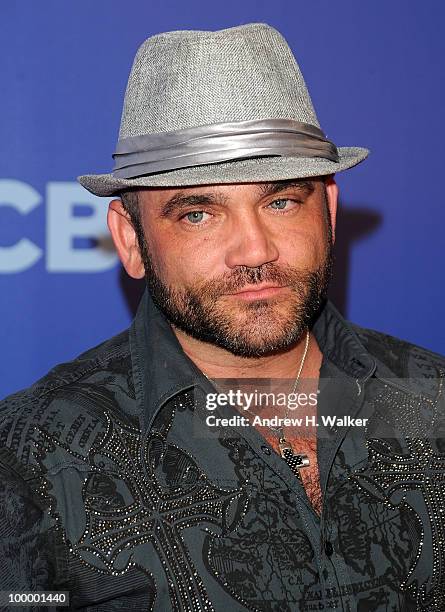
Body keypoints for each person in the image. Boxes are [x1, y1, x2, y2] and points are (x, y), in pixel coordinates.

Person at [0, 22, 444, 612]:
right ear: (130, 240)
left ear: (330, 211)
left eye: (281, 201)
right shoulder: (31, 454)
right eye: (198, 215)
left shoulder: (431, 395)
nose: (255, 251)